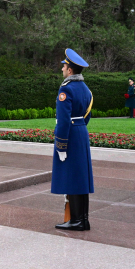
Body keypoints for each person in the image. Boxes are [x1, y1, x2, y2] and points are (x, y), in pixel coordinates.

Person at [53, 49, 94, 232]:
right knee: (81, 177)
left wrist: (61, 144)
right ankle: (83, 219)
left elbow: (63, 121)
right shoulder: (86, 89)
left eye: (64, 66)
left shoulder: (66, 89)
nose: (62, 68)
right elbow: (87, 116)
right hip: (81, 132)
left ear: (70, 70)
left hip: (69, 135)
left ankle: (77, 221)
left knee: (72, 177)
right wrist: (79, 127)